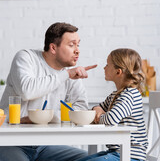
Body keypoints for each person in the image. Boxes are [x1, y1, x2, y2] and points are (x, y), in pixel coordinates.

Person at [0, 22, 97, 161]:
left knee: (89, 158)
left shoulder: (71, 74)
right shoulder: (26, 58)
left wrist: (46, 118)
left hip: (44, 145)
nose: (77, 50)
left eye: (78, 45)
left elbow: (80, 108)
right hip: (10, 143)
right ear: (53, 47)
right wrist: (66, 75)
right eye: (71, 45)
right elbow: (27, 91)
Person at [78, 48, 148, 161]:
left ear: (118, 71)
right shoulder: (116, 95)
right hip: (115, 152)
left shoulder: (130, 94)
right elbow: (97, 108)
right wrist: (98, 110)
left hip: (130, 155)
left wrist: (99, 116)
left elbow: (111, 119)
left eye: (107, 64)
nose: (104, 67)